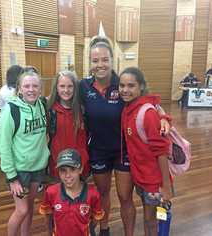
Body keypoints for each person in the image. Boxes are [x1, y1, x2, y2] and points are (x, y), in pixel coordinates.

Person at [79, 36, 170, 236]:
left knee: (124, 196)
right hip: (98, 151)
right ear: (90, 63)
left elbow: (150, 101)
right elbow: (63, 98)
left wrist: (164, 117)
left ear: (112, 60)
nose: (100, 64)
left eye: (104, 59)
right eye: (95, 61)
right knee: (102, 193)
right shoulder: (83, 87)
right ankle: (104, 230)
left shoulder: (123, 83)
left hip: (123, 151)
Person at [119, 67, 172, 236]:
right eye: (121, 85)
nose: (125, 90)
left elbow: (161, 152)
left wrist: (166, 186)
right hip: (140, 177)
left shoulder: (147, 113)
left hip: (154, 182)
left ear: (141, 87)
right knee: (149, 219)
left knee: (151, 222)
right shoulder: (128, 108)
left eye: (131, 85)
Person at [0, 69, 50, 236]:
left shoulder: (42, 104)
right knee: (21, 210)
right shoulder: (11, 110)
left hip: (37, 166)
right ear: (19, 88)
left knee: (29, 208)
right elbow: (3, 146)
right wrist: (12, 177)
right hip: (20, 170)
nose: (31, 89)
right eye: (26, 86)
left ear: (40, 88)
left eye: (35, 86)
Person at [39, 148, 104, 236]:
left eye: (72, 169)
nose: (68, 175)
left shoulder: (93, 194)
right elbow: (47, 216)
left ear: (80, 169)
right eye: (63, 170)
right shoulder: (51, 192)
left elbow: (96, 219)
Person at [47, 70, 90, 179]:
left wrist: (83, 162)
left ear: (75, 88)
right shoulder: (49, 110)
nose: (66, 90)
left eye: (70, 86)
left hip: (79, 167)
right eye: (62, 86)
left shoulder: (83, 110)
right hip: (58, 166)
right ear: (56, 88)